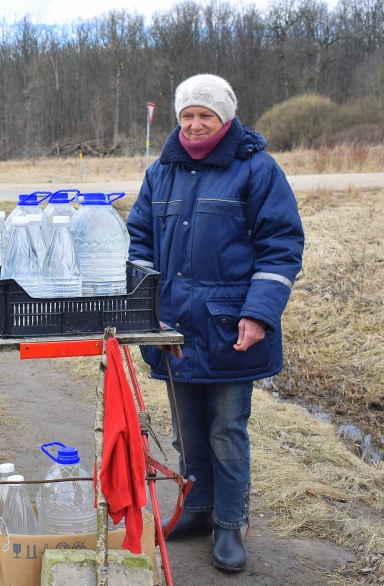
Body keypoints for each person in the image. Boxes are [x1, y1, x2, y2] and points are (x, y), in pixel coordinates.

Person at [125, 74, 304, 572]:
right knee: (188, 432)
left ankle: (230, 523)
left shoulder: (257, 170)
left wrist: (259, 313)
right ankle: (198, 511)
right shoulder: (161, 172)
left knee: (227, 431)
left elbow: (282, 246)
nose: (195, 124)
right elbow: (137, 239)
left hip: (232, 331)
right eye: (187, 115)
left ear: (225, 119)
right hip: (173, 328)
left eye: (206, 115)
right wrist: (146, 303)